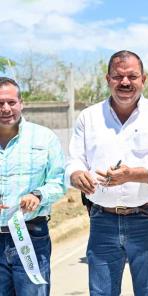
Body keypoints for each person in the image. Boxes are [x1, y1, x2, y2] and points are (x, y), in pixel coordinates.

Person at [65, 50, 148, 296]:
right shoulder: (89, 117)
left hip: (147, 217)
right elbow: (74, 159)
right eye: (118, 76)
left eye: (132, 76)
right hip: (102, 219)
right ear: (108, 79)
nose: (125, 82)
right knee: (102, 292)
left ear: (143, 79)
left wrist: (131, 174)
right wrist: (75, 174)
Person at [0, 77, 66, 296]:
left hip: (30, 236)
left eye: (11, 102)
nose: (6, 109)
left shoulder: (44, 138)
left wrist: (38, 195)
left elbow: (58, 182)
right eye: (0, 103)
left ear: (21, 103)